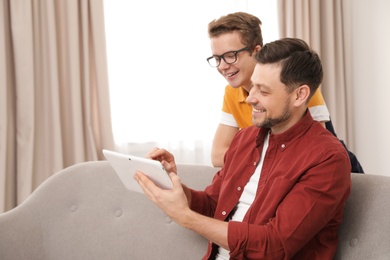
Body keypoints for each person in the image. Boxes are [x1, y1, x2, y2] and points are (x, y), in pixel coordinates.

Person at [134, 38, 352, 259]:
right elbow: (213, 205)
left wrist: (185, 217)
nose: (251, 99)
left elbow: (274, 245)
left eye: (264, 91)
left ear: (299, 95)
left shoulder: (328, 159)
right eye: (253, 86)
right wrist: (175, 186)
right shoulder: (245, 139)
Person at [207, 12, 364, 173]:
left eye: (230, 56)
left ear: (256, 51)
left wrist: (251, 156)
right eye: (217, 58)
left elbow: (314, 152)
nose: (222, 66)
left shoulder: (296, 82)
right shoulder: (232, 93)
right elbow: (218, 156)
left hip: (333, 170)